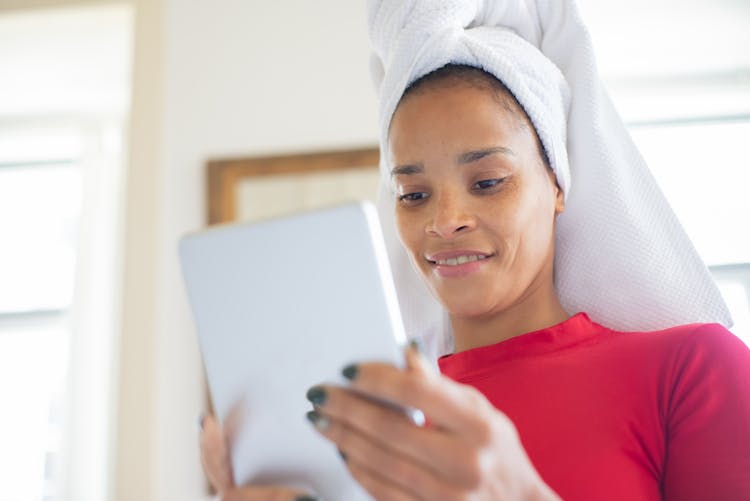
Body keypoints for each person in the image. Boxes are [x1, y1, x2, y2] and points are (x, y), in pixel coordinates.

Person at [200, 1, 750, 499]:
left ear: (557, 183)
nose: (444, 222)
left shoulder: (692, 370)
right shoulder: (367, 416)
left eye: (487, 182)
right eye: (413, 194)